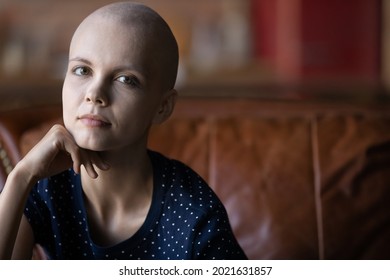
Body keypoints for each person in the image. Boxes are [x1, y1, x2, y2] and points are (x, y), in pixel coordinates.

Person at [0, 1, 247, 260]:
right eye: (82, 70)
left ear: (162, 107)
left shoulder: (195, 216)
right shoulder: (43, 185)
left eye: (125, 79)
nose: (94, 94)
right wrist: (21, 177)